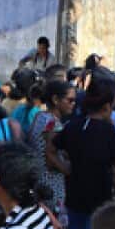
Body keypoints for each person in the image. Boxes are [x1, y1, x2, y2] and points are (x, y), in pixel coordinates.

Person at [49, 79, 115, 229]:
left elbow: (51, 150)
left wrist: (66, 168)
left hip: (75, 194)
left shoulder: (72, 126)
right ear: (106, 106)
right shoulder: (109, 130)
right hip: (100, 197)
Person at [30, 80, 77, 221]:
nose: (73, 104)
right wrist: (67, 170)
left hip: (38, 179)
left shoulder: (39, 116)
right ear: (56, 100)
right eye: (70, 100)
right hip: (51, 183)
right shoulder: (53, 124)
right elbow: (50, 156)